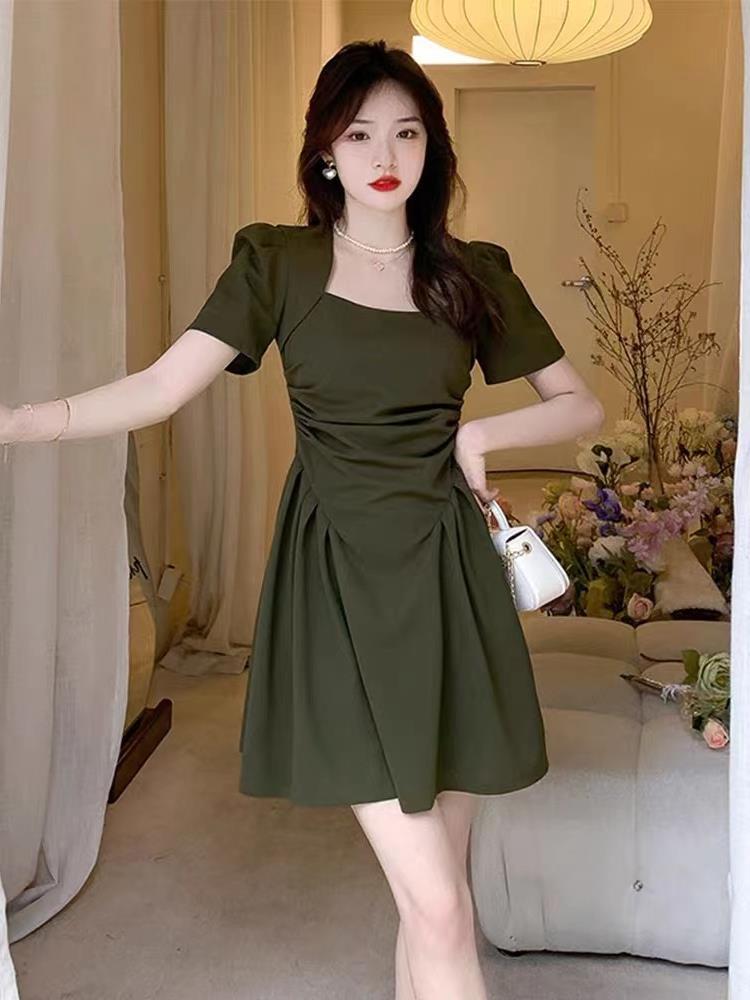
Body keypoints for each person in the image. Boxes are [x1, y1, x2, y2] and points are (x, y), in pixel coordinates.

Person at [1, 39, 604, 1000]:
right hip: (337, 586)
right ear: (325, 149)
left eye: (407, 132)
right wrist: (19, 422)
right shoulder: (277, 263)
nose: (385, 155)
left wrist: (483, 436)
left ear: (433, 146)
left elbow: (580, 403)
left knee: (436, 902)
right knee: (442, 910)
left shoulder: (472, 273)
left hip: (449, 582)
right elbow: (161, 388)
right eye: (359, 134)